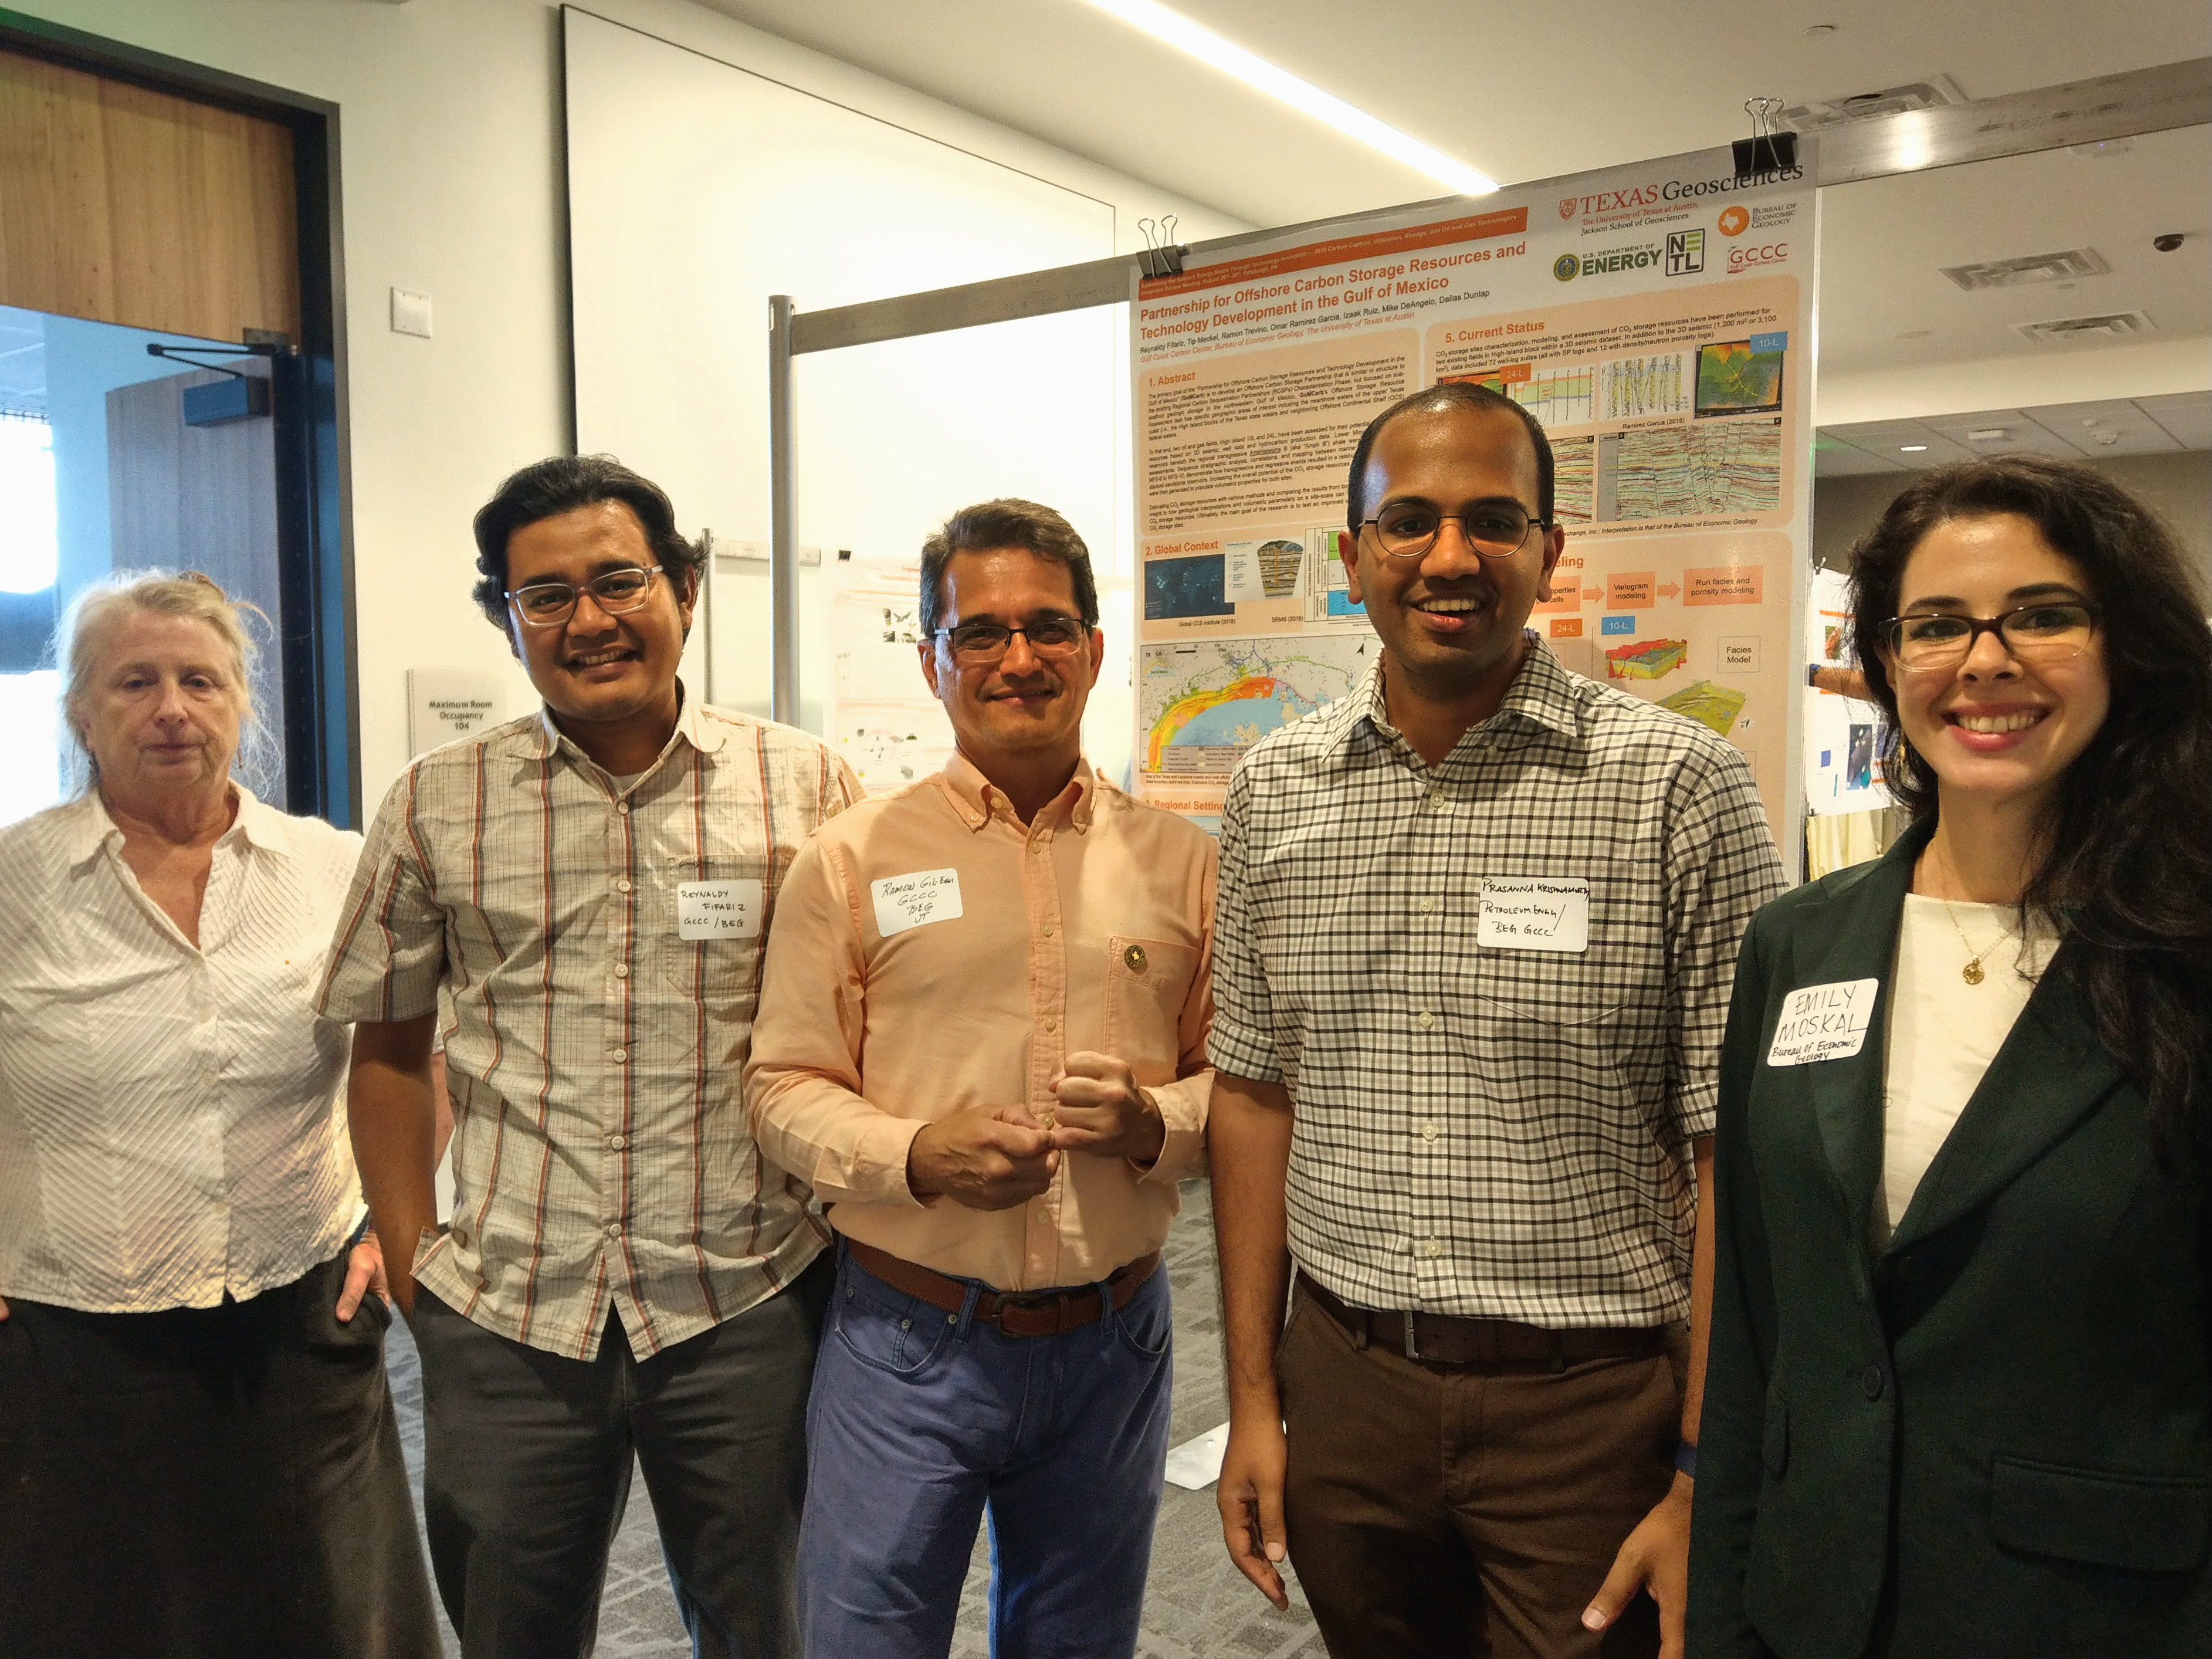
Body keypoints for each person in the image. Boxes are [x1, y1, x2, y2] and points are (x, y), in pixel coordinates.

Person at [1207, 381, 1788, 1658]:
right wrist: (1254, 1403)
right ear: (1350, 550)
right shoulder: (1269, 792)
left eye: (1492, 521)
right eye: (1406, 521)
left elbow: (1731, 1156)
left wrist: (1700, 1462)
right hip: (1346, 1389)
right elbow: (1251, 1099)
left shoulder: (1677, 788)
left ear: (1547, 551)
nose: (1449, 558)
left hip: (1587, 1409)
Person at [318, 456, 861, 1659]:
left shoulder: (807, 788)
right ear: (508, 622)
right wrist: (412, 1261)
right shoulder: (433, 803)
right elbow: (392, 1049)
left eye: (618, 581)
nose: (589, 620)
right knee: (512, 1627)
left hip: (748, 1299)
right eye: (544, 597)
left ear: (684, 587)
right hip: (511, 1312)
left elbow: (860, 1028)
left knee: (771, 1623)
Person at [1691, 456, 2212, 1657]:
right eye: (1933, 626)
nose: (1982, 660)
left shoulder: (2187, 954)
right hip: (1808, 1602)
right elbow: (1760, 1328)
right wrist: (1722, 1608)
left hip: (2094, 1615)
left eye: (2039, 614)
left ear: (2123, 646)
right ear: (1882, 663)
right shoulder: (1797, 941)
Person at [746, 497, 1215, 1658]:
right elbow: (782, 1086)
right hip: (908, 1338)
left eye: (1049, 627)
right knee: (866, 1638)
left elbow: (1243, 1089)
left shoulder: (1181, 864)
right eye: (980, 632)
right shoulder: (850, 861)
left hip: (1115, 1342)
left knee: (1076, 1642)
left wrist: (1152, 1119)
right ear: (931, 659)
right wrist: (916, 1153)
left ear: (1095, 649)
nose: (1018, 659)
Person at [0, 571, 439, 1658]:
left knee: (331, 1617)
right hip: (72, 1340)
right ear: (80, 713)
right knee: (105, 1619)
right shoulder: (14, 883)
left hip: (301, 1325)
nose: (171, 709)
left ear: (242, 704)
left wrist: (394, 1228)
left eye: (201, 681)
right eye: (134, 682)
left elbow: (405, 1060)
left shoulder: (333, 868)